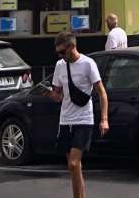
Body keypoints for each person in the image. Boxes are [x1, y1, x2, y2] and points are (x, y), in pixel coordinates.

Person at [48, 30, 108, 198]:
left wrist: (104, 119)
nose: (60, 55)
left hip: (84, 119)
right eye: (58, 52)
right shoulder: (60, 65)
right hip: (65, 120)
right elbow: (58, 96)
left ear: (72, 46)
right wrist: (49, 94)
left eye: (62, 51)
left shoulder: (88, 64)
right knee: (74, 166)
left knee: (73, 164)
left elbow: (102, 92)